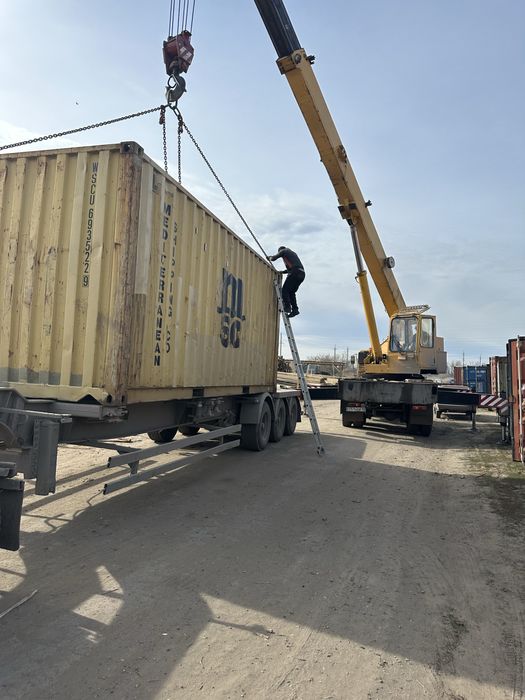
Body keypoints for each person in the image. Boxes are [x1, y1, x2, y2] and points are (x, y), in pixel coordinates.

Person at [268, 246, 305, 317]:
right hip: (301, 274)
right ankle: (295, 310)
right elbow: (291, 268)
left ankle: (287, 307)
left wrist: (269, 258)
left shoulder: (284, 251)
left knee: (285, 290)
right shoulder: (292, 254)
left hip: (295, 273)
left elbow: (273, 258)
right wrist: (282, 272)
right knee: (291, 292)